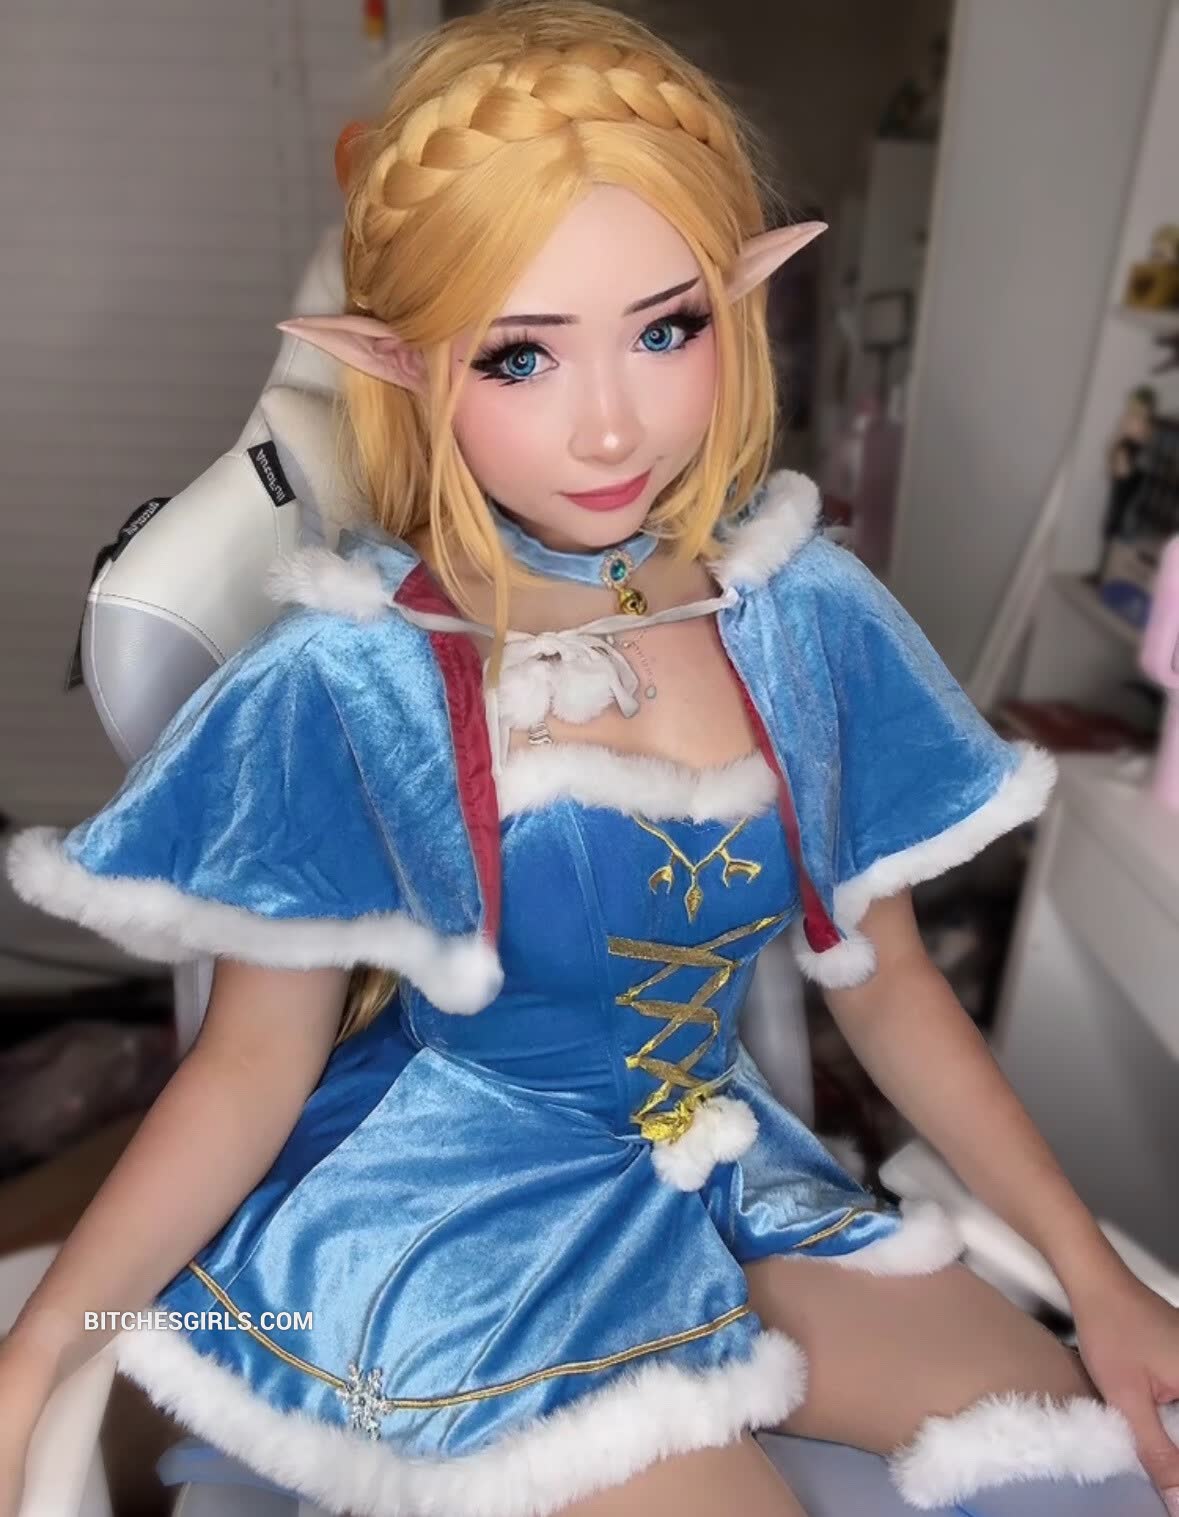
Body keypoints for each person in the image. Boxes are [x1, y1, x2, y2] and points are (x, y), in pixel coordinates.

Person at [3, 4, 1179, 1515]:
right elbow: (249, 1065)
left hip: (718, 1166)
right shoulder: (357, 674)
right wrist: (41, 1349)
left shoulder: (801, 613)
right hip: (467, 1220)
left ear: (734, 309)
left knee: (1085, 1466)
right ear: (407, 367)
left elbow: (884, 977)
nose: (611, 426)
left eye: (665, 328)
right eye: (521, 357)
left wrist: (1098, 1281)